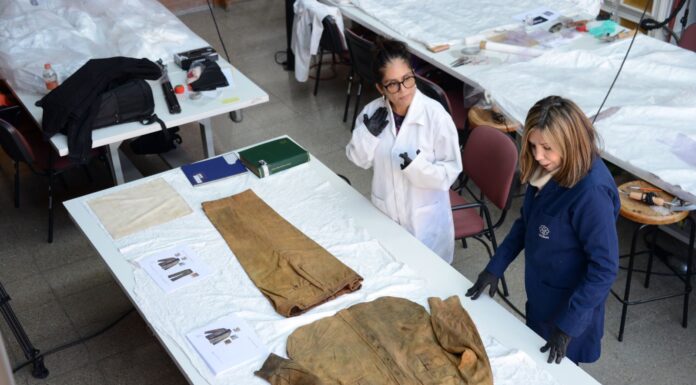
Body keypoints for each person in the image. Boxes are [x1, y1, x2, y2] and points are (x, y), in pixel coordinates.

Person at [465, 96, 620, 365]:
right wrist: (495, 267)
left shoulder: (592, 194)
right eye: (533, 145)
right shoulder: (549, 167)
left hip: (571, 309)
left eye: (547, 148)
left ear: (570, 142)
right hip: (542, 295)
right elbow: (527, 222)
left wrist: (568, 325)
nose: (538, 156)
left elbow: (604, 268)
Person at [346, 38, 462, 263]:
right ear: (380, 87)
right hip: (386, 214)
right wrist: (367, 136)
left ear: (414, 75)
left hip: (425, 221)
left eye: (407, 79)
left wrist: (417, 168)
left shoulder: (435, 116)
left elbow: (450, 173)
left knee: (428, 277)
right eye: (392, 84)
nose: (403, 90)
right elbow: (358, 159)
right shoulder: (372, 113)